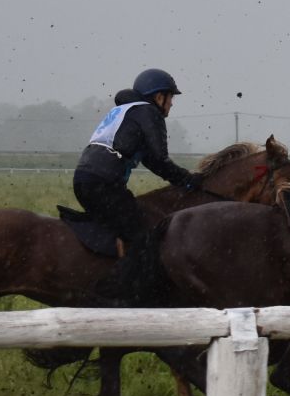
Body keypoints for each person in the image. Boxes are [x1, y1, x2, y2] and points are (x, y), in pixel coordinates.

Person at [73, 68, 202, 300]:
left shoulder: (125, 111)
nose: (171, 104)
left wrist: (183, 178)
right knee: (144, 236)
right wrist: (190, 180)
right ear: (157, 96)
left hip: (84, 179)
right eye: (170, 97)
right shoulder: (148, 112)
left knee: (118, 228)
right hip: (104, 183)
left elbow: (151, 160)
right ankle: (119, 292)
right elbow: (160, 160)